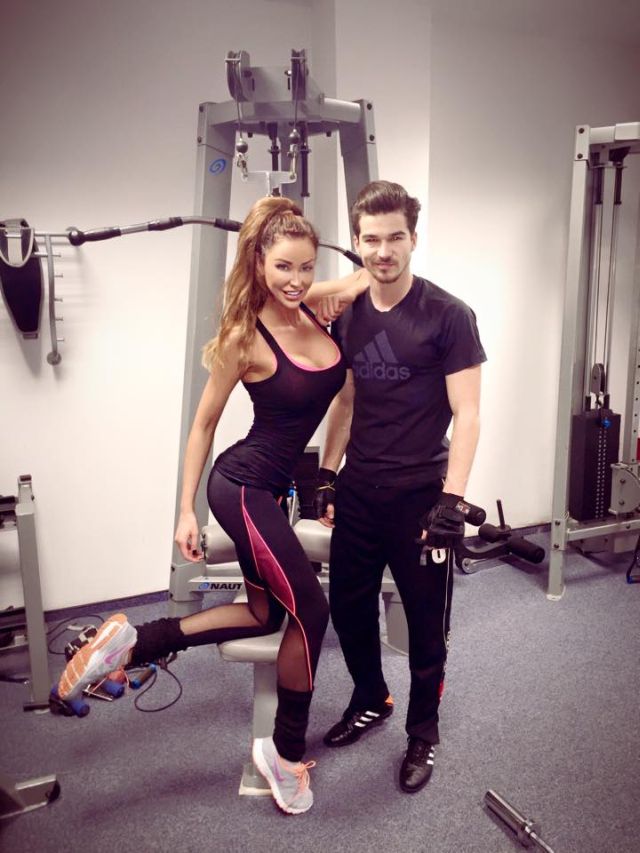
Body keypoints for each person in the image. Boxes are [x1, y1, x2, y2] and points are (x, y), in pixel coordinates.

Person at [56, 196, 365, 815]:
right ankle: (284, 754)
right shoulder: (245, 337)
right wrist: (185, 510)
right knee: (310, 610)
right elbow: (203, 425)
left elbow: (361, 278)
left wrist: (350, 272)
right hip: (241, 486)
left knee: (262, 616)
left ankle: (130, 644)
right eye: (283, 267)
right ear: (259, 263)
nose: (295, 279)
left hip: (268, 491)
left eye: (306, 267)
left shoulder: (314, 306)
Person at [314, 180, 486, 794]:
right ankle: (370, 697)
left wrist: (451, 500)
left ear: (413, 238)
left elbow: (468, 413)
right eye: (371, 239)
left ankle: (422, 732)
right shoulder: (349, 314)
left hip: (420, 498)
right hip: (360, 491)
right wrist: (327, 473)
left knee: (424, 623)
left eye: (395, 238)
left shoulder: (448, 315)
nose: (383, 251)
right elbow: (346, 398)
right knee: (347, 608)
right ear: (357, 241)